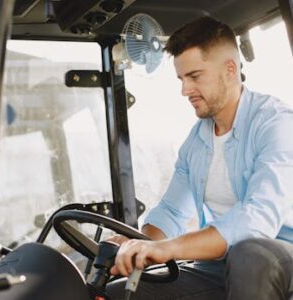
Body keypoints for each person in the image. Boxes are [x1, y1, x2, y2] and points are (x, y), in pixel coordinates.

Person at [106, 16, 293, 300]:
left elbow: (257, 220)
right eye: (181, 79)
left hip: (278, 256)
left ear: (230, 69)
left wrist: (170, 248)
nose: (184, 90)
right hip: (223, 265)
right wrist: (138, 245)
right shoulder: (197, 141)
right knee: (117, 293)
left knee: (251, 256)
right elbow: (171, 211)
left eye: (194, 77)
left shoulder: (276, 124)